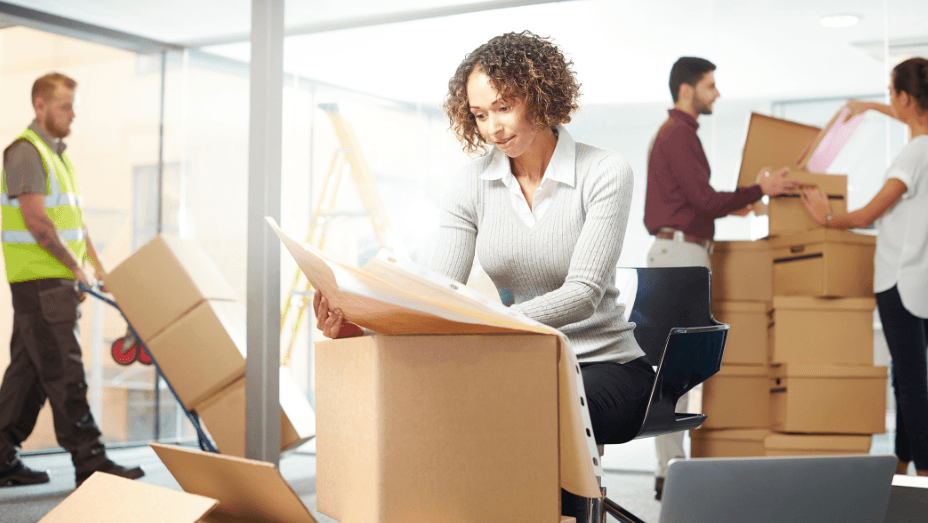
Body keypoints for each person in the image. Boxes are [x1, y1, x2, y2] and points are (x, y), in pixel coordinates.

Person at [314, 31, 654, 520]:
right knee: (447, 410)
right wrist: (358, 325)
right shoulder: (471, 184)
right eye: (479, 114)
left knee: (518, 422)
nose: (492, 127)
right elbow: (434, 295)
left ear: (541, 95)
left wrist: (491, 322)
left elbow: (581, 295)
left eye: (503, 107)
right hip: (517, 362)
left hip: (603, 364)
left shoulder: (604, 171)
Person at [644, 56, 802, 500]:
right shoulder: (678, 135)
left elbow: (699, 201)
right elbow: (705, 200)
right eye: (711, 86)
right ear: (688, 89)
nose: (717, 93)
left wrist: (739, 202)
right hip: (679, 253)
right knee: (674, 367)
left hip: (681, 250)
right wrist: (758, 190)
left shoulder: (678, 134)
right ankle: (670, 468)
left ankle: (670, 466)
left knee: (676, 365)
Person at [0, 73, 144, 488]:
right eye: (65, 106)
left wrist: (97, 267)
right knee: (65, 373)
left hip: (52, 284)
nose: (73, 114)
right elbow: (37, 223)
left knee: (27, 378)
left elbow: (73, 225)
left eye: (73, 105)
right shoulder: (27, 153)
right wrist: (75, 269)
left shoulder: (58, 157)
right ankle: (90, 460)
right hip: (43, 284)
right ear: (40, 106)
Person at [801, 57, 928, 478]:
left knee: (910, 380)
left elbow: (869, 213)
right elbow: (905, 113)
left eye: (890, 93)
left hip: (899, 279)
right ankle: (903, 462)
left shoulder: (913, 154)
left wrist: (826, 216)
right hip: (920, 281)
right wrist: (872, 108)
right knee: (907, 374)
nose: (889, 100)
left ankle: (923, 471)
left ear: (906, 97)